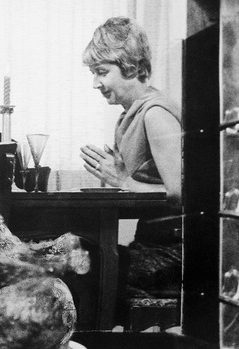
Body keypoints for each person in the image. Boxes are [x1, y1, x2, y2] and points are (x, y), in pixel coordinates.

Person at [79, 16, 183, 328]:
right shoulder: (129, 117)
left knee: (87, 270)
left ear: (132, 68)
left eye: (102, 72)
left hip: (176, 251)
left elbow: (181, 195)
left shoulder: (155, 115)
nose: (96, 83)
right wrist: (122, 177)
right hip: (151, 244)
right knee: (83, 259)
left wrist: (123, 181)